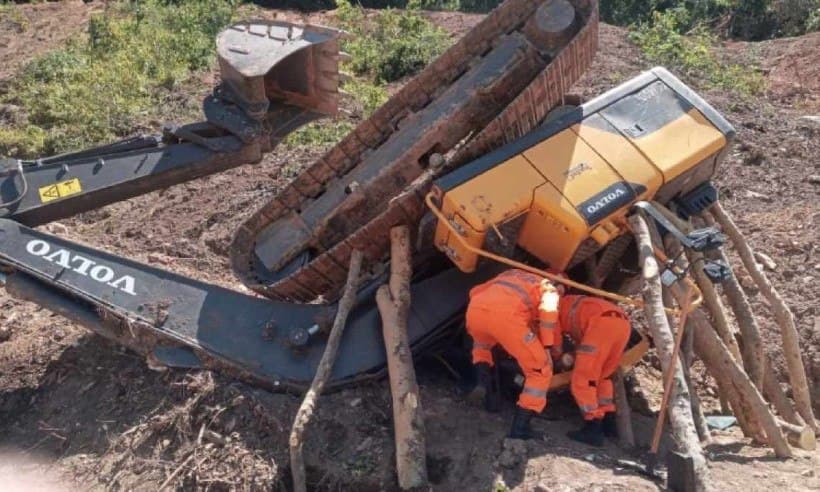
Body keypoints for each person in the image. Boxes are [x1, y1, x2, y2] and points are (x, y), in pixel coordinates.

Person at [464, 268, 564, 439]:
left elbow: (475, 291)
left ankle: (483, 385)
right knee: (540, 369)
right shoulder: (548, 288)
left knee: (482, 347)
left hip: (476, 310)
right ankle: (520, 428)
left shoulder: (512, 273)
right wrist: (547, 347)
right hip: (507, 319)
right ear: (556, 283)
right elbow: (549, 313)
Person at [553, 294, 632, 446]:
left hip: (601, 325)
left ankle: (593, 428)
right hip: (622, 324)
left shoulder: (552, 309)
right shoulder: (573, 303)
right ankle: (608, 422)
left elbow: (555, 342)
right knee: (603, 376)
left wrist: (557, 359)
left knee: (583, 378)